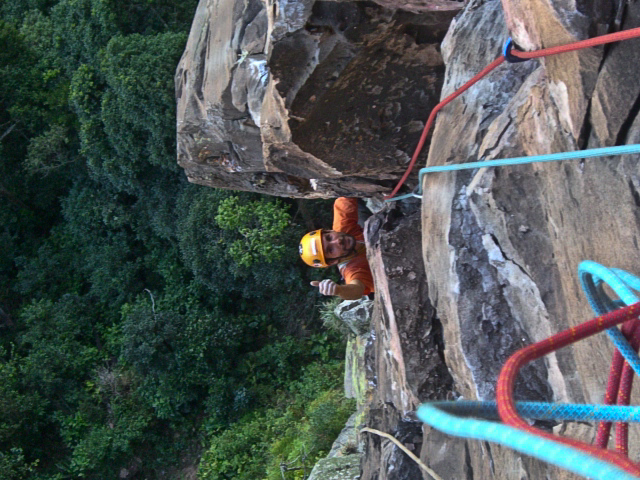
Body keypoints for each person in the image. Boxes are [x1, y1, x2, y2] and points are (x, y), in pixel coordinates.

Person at [299, 197, 374, 300]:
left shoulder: (342, 228)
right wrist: (339, 290)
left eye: (329, 237)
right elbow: (356, 289)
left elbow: (345, 195)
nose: (337, 242)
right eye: (330, 250)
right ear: (333, 261)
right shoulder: (352, 269)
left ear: (329, 231)